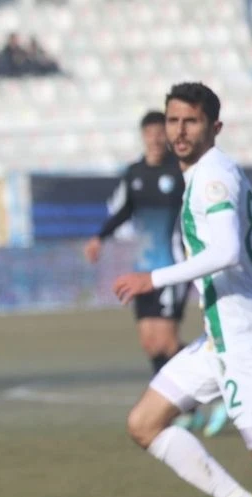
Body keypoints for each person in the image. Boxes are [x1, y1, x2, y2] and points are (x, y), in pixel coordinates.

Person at [115, 82, 252, 497]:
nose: (179, 131)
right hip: (221, 337)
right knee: (144, 423)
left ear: (214, 127)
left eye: (191, 121)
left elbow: (227, 250)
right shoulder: (223, 170)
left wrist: (153, 277)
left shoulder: (209, 180)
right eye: (173, 120)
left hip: (241, 342)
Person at [84, 111, 230, 435]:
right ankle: (187, 408)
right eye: (148, 132)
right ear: (142, 136)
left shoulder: (179, 172)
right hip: (142, 268)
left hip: (172, 266)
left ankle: (222, 389)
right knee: (151, 344)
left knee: (165, 340)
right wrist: (99, 238)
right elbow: (122, 210)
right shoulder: (134, 173)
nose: (153, 138)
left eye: (157, 132)